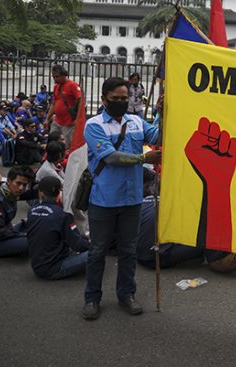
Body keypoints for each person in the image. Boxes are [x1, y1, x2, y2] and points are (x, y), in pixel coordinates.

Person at [81, 77, 162, 321]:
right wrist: (143, 160)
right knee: (97, 251)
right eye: (115, 99)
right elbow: (111, 157)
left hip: (132, 199)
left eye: (124, 99)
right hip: (103, 200)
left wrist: (163, 112)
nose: (121, 102)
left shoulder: (136, 121)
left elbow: (158, 136)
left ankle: (126, 294)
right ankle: (92, 298)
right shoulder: (94, 125)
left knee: (128, 250)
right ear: (104, 98)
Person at [26, 176, 90, 280]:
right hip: (53, 268)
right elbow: (77, 244)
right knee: (95, 252)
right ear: (59, 193)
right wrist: (90, 244)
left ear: (41, 193)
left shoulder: (31, 211)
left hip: (37, 264)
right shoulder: (63, 215)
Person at [45, 65, 82, 149]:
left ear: (63, 75)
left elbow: (81, 101)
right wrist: (47, 119)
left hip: (69, 123)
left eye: (57, 76)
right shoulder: (56, 87)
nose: (55, 79)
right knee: (52, 143)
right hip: (57, 121)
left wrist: (77, 118)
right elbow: (53, 103)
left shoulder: (73, 85)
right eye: (53, 76)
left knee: (66, 146)